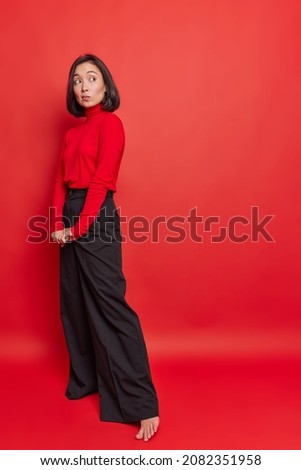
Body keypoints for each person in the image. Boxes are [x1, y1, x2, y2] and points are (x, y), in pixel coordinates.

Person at [50, 53, 159, 442]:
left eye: (91, 78)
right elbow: (61, 180)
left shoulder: (110, 125)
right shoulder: (70, 134)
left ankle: (141, 403)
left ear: (105, 85)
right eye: (77, 80)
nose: (83, 85)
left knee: (111, 305)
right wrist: (58, 223)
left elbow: (101, 182)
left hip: (97, 216)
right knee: (75, 304)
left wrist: (77, 228)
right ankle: (87, 381)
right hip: (72, 217)